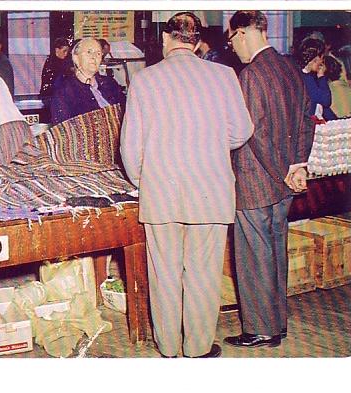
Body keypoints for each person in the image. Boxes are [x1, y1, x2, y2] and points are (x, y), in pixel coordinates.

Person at [120, 12, 254, 358]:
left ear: (166, 40)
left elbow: (129, 148)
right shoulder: (224, 76)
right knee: (203, 274)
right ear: (197, 42)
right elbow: (242, 131)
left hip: (161, 192)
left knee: (164, 272)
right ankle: (196, 348)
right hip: (209, 190)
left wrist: (144, 179)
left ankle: (168, 347)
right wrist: (209, 143)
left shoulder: (144, 79)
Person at [224, 11, 315, 348]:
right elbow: (307, 120)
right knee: (275, 251)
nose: (232, 47)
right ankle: (278, 323)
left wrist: (282, 172)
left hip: (256, 181)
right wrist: (297, 166)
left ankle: (261, 329)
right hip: (284, 183)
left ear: (245, 33)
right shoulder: (289, 67)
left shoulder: (251, 75)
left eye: (232, 39)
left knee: (252, 257)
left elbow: (252, 135)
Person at [50, 37, 125, 125]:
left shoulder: (110, 84)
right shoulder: (64, 92)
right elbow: (64, 132)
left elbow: (127, 115)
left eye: (98, 53)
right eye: (89, 52)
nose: (94, 57)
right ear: (76, 58)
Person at [296, 38, 337, 121]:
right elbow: (326, 100)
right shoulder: (306, 78)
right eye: (322, 57)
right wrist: (321, 76)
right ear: (315, 58)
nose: (322, 61)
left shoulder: (304, 74)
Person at [39, 37, 71, 107]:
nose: (66, 54)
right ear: (57, 50)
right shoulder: (53, 64)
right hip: (50, 97)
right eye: (64, 51)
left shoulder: (59, 62)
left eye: (67, 51)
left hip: (51, 96)